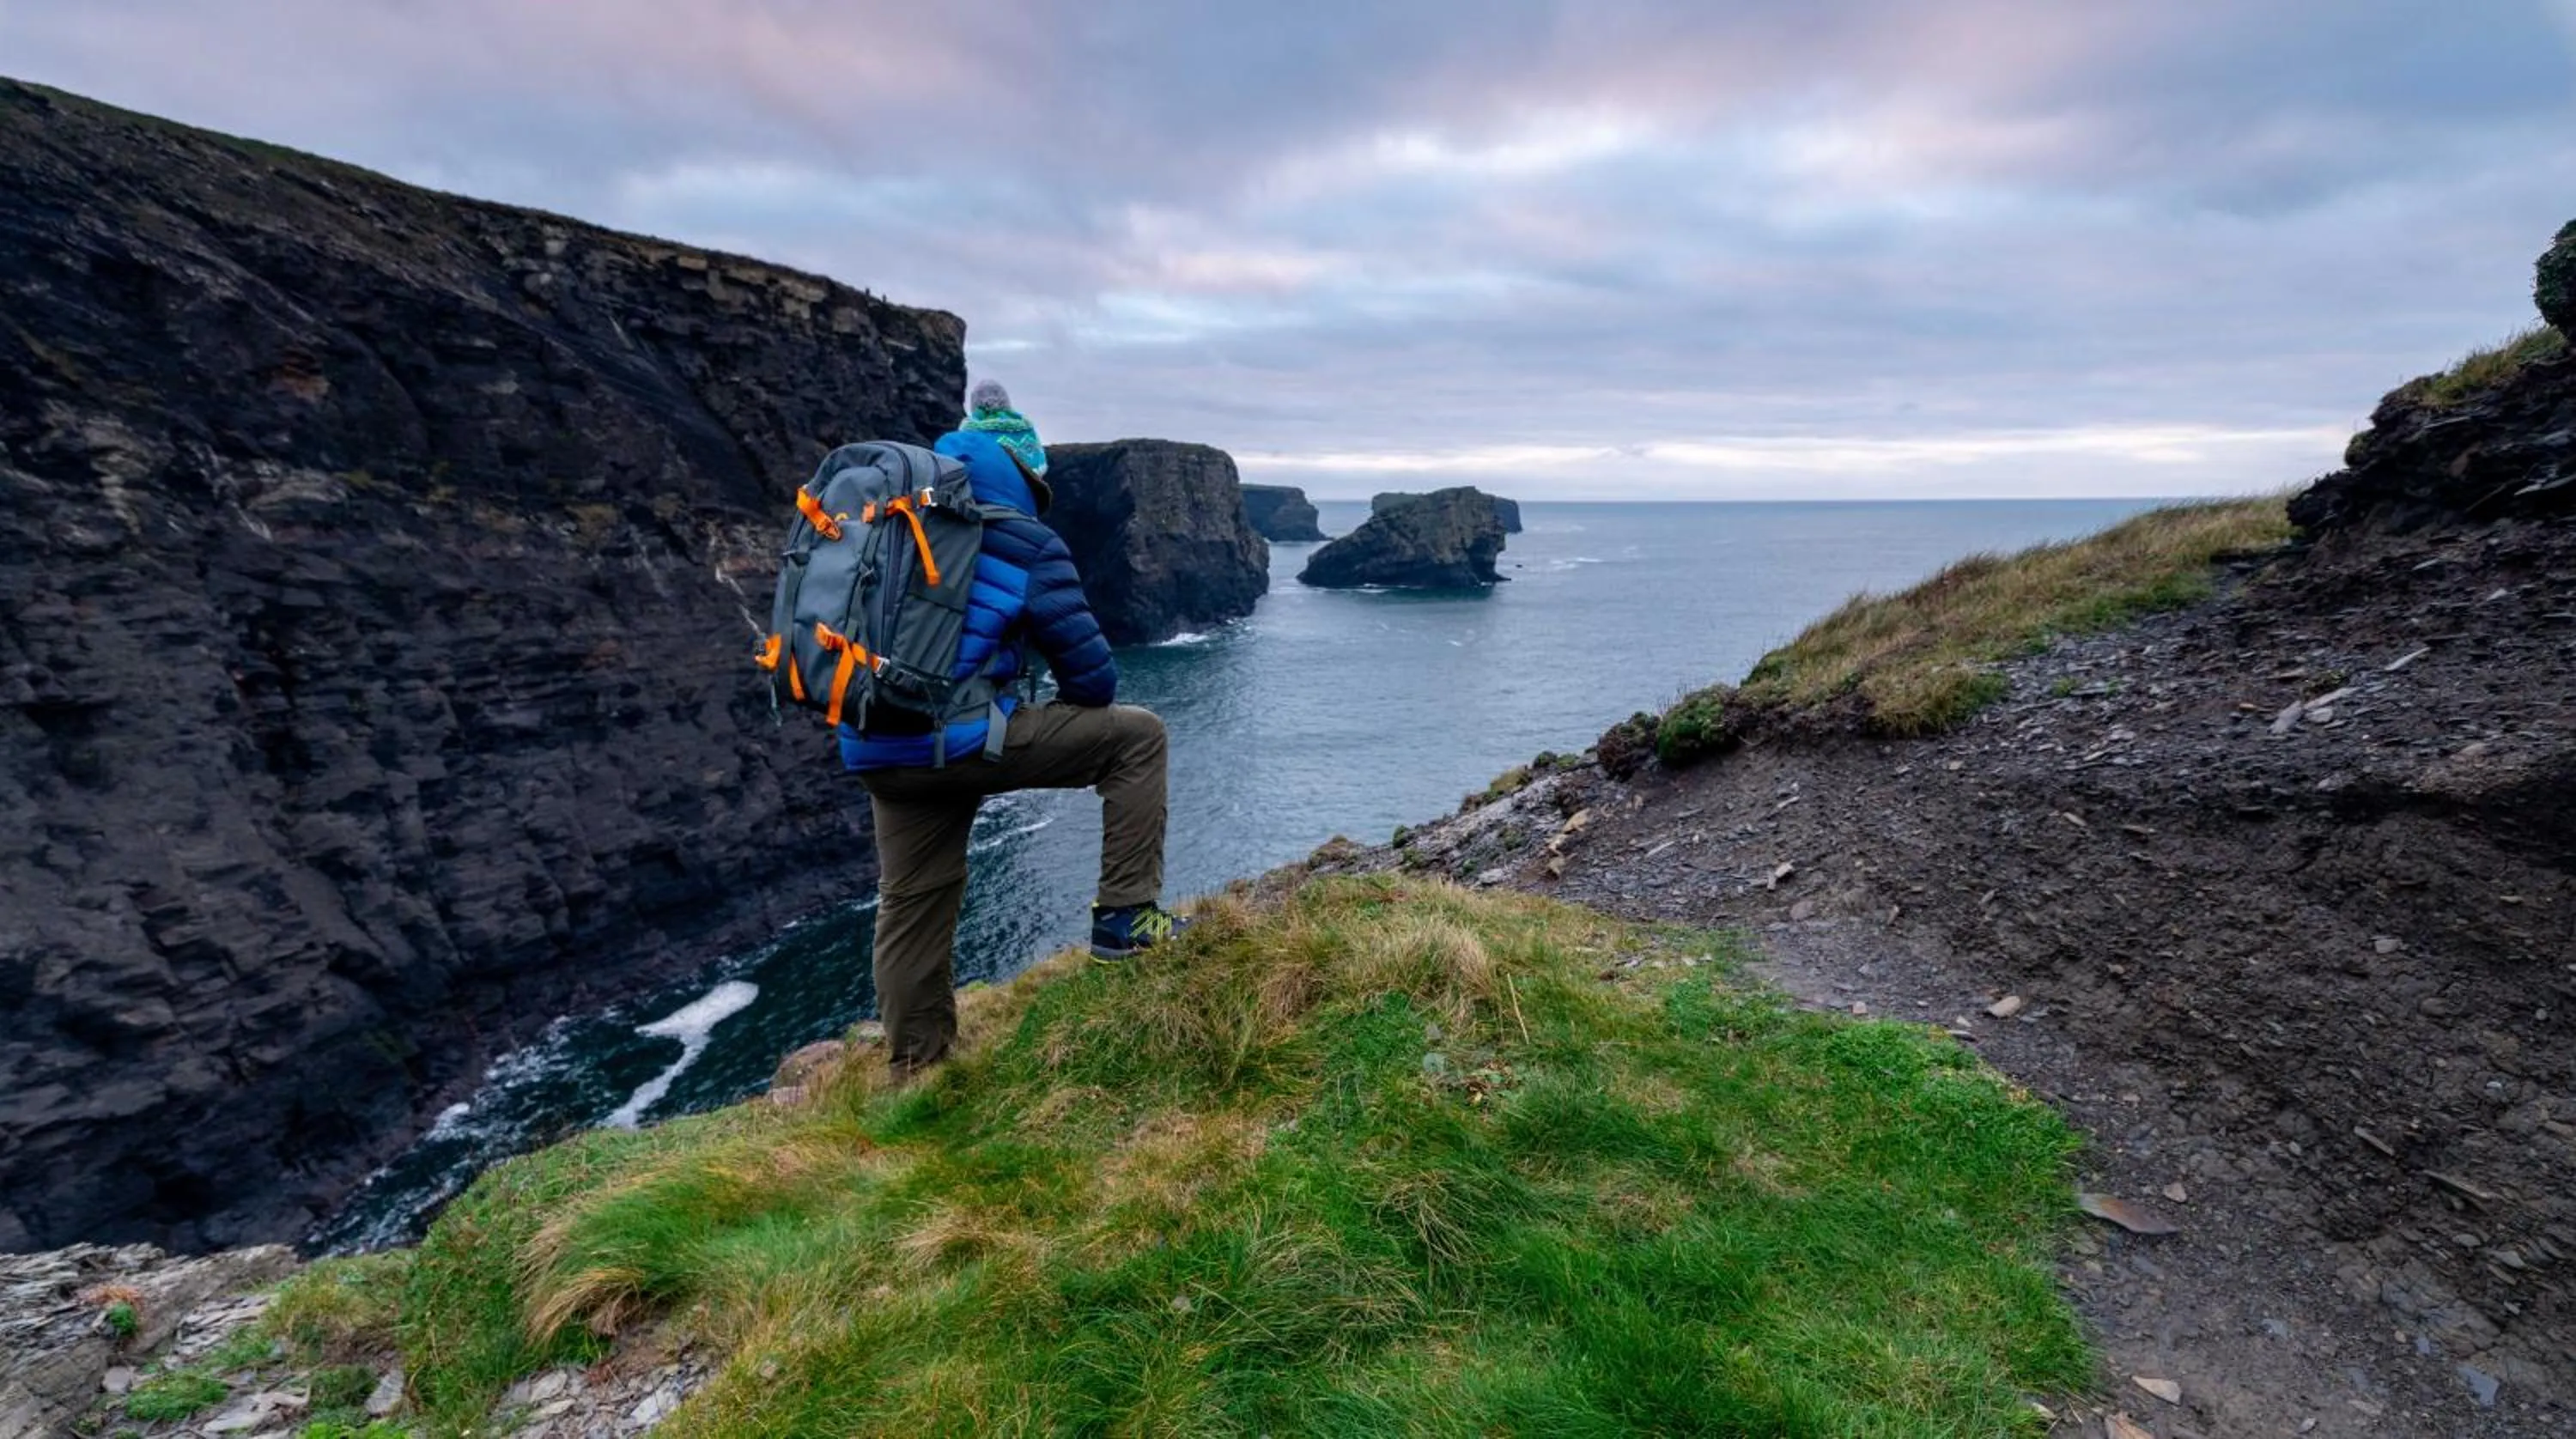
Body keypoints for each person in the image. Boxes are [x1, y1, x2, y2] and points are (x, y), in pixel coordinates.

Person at [840, 395, 1188, 1078]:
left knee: (911, 901)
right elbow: (1094, 681)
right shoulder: (1024, 539)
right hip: (963, 740)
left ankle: (918, 1071)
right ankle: (1125, 921)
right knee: (1139, 737)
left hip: (878, 744)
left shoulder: (887, 524)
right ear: (1023, 474)